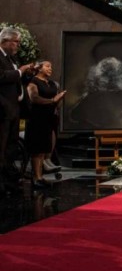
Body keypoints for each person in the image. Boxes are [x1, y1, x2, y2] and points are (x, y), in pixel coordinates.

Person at [0, 27, 35, 196]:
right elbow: (2, 77)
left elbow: (17, 80)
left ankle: (9, 182)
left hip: (14, 109)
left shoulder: (11, 58)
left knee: (11, 148)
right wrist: (20, 71)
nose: (18, 45)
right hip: (2, 110)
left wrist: (27, 73)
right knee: (1, 147)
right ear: (4, 41)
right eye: (16, 42)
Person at [24, 60, 66, 188]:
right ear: (39, 68)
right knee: (37, 150)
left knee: (43, 149)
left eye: (51, 67)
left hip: (49, 119)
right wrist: (52, 100)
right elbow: (34, 98)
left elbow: (56, 102)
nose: (50, 68)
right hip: (37, 118)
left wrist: (58, 100)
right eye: (47, 66)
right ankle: (36, 178)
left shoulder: (52, 83)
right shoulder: (33, 81)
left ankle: (40, 176)